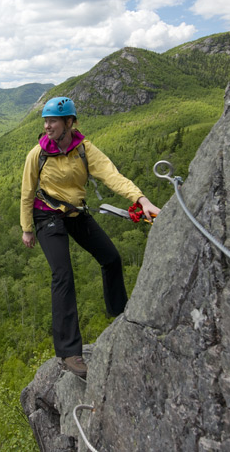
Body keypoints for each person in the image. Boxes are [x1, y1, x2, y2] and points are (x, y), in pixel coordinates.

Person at [20, 96, 160, 378]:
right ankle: (70, 352)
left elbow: (112, 175)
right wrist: (27, 228)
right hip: (46, 215)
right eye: (46, 121)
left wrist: (141, 199)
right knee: (63, 274)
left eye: (53, 121)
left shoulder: (85, 150)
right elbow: (26, 191)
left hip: (75, 212)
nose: (47, 126)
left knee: (111, 258)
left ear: (69, 123)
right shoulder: (38, 154)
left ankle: (120, 316)